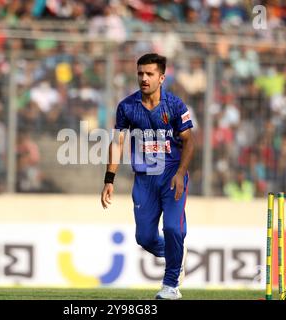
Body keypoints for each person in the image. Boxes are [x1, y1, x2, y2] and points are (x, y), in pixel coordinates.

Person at [100, 53, 195, 300]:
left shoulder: (174, 105)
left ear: (161, 77)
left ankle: (170, 286)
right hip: (144, 178)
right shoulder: (127, 107)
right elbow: (117, 143)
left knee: (174, 228)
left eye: (150, 74)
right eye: (140, 73)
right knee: (144, 238)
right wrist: (109, 180)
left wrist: (181, 173)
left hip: (172, 175)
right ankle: (177, 254)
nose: (144, 78)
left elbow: (189, 142)